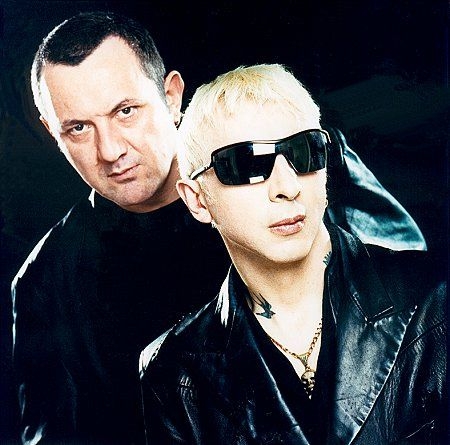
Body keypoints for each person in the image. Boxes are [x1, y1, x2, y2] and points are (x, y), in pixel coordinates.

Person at [139, 64, 447, 444]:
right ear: (198, 200)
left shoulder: (437, 297)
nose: (287, 186)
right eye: (248, 163)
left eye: (304, 152)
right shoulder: (170, 372)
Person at [11, 11, 230, 445]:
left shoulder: (283, 175)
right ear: (53, 133)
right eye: (78, 128)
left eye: (125, 111)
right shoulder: (46, 283)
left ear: (172, 97)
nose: (110, 151)